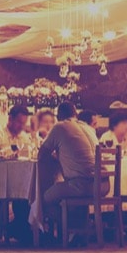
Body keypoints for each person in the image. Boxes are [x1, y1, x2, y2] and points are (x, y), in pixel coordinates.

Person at [38, 101, 97, 242]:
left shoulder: (60, 127)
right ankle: (80, 231)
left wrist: (57, 157)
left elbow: (41, 155)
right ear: (75, 114)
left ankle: (70, 228)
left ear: (58, 116)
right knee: (68, 194)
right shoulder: (87, 127)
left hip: (81, 185)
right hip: (102, 184)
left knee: (43, 199)